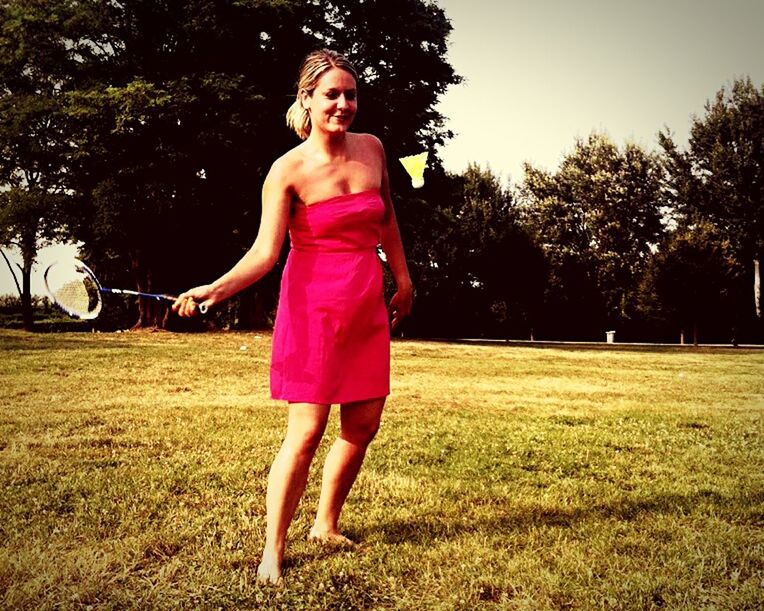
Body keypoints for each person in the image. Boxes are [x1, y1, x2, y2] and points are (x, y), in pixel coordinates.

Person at [173, 49, 413, 585]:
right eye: (332, 94)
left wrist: (404, 280)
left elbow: (389, 220)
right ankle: (272, 552)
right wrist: (215, 288)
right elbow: (264, 253)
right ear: (307, 99)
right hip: (312, 308)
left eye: (351, 94)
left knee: (364, 423)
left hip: (364, 303)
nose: (344, 104)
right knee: (306, 432)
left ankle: (325, 524)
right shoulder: (287, 170)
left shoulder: (373, 149)